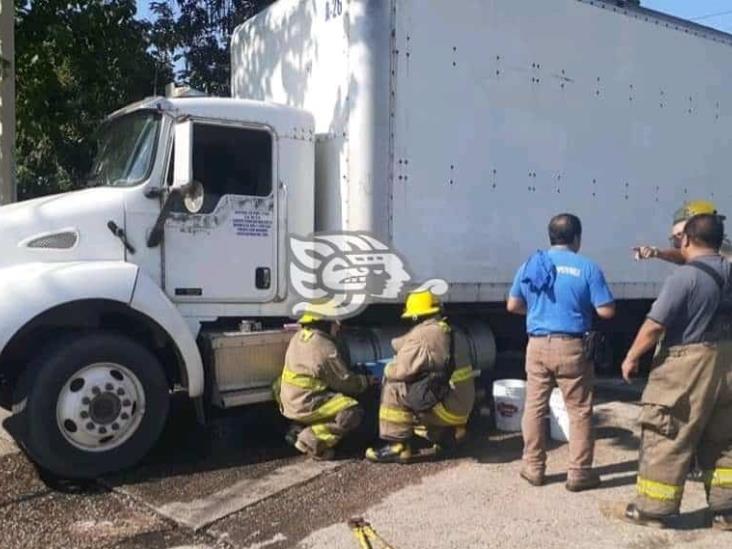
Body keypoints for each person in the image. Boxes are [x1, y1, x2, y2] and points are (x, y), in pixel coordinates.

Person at [618, 214, 732, 530]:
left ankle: (654, 509)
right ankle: (727, 511)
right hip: (728, 362)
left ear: (686, 240)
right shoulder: (729, 269)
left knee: (667, 432)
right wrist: (656, 253)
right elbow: (695, 262)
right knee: (724, 438)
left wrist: (631, 356)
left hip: (690, 363)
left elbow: (655, 326)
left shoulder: (684, 279)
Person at [507, 213, 615, 491]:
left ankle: (533, 467)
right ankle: (579, 473)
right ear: (577, 238)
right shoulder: (587, 267)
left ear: (550, 237)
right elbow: (606, 310)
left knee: (534, 406)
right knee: (579, 411)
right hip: (573, 347)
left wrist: (539, 311)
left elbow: (512, 306)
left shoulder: (531, 264)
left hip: (538, 345)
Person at [365, 290, 475, 463]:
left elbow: (401, 370)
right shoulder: (450, 331)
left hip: (448, 408)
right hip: (461, 408)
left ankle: (397, 446)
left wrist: (386, 369)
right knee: (423, 388)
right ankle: (449, 435)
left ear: (416, 316)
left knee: (395, 385)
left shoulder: (422, 337)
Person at [276, 309, 369, 460]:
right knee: (351, 411)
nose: (338, 327)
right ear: (325, 323)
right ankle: (310, 439)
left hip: (289, 401)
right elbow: (346, 384)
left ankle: (296, 428)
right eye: (335, 322)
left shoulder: (299, 337)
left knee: (326, 398)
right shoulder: (325, 347)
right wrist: (365, 380)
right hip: (305, 403)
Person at [634, 199, 730, 263]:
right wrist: (658, 253)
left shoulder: (722, 254)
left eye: (681, 235)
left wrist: (658, 253)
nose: (681, 245)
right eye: (676, 238)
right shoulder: (712, 255)